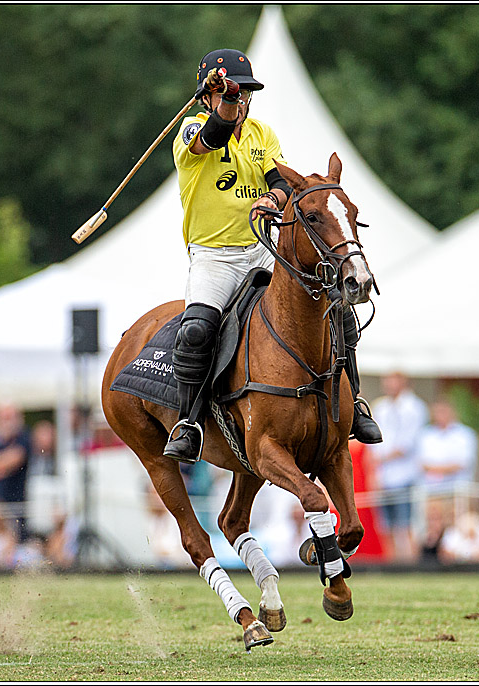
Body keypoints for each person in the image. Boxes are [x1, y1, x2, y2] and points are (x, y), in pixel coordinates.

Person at [162, 48, 380, 463]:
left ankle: (356, 407)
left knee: (337, 310)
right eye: (233, 94)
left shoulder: (263, 134)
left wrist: (271, 197)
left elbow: (282, 183)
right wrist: (225, 102)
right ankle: (189, 422)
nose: (241, 102)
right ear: (208, 96)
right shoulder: (189, 132)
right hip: (215, 256)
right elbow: (213, 137)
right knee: (196, 331)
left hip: (261, 249)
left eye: (245, 94)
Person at [370, 371, 428, 562]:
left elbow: (407, 444)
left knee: (406, 524)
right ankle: (392, 565)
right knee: (386, 527)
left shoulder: (414, 407)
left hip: (405, 476)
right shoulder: (381, 407)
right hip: (384, 477)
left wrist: (382, 457)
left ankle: (411, 564)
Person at [0, 403, 31, 541]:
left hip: (14, 509)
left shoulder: (24, 438)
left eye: (10, 417)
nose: (6, 422)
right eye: (3, 417)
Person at [417, 399, 478, 490]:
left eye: (443, 411)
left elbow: (464, 463)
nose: (440, 415)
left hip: (458, 491)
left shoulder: (465, 434)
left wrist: (438, 469)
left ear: (452, 411)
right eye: (437, 412)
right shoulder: (425, 434)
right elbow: (421, 463)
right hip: (431, 491)